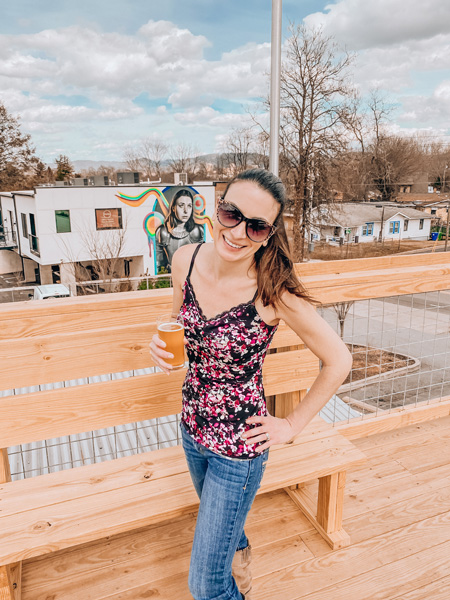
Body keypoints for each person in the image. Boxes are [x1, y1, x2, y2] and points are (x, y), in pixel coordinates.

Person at [150, 169, 353, 600]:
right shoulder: (184, 259)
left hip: (238, 453)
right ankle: (240, 566)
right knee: (224, 531)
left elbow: (339, 359)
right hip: (191, 429)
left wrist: (292, 425)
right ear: (216, 209)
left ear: (269, 233)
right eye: (232, 214)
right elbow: (176, 322)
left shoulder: (273, 292)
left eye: (256, 225)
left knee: (205, 585)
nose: (239, 232)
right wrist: (159, 342)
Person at [155, 188, 204, 272]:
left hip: (193, 276)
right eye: (181, 205)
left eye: (189, 206)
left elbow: (202, 260)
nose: (186, 211)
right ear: (173, 208)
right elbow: (159, 263)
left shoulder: (197, 230)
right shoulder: (163, 232)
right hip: (170, 278)